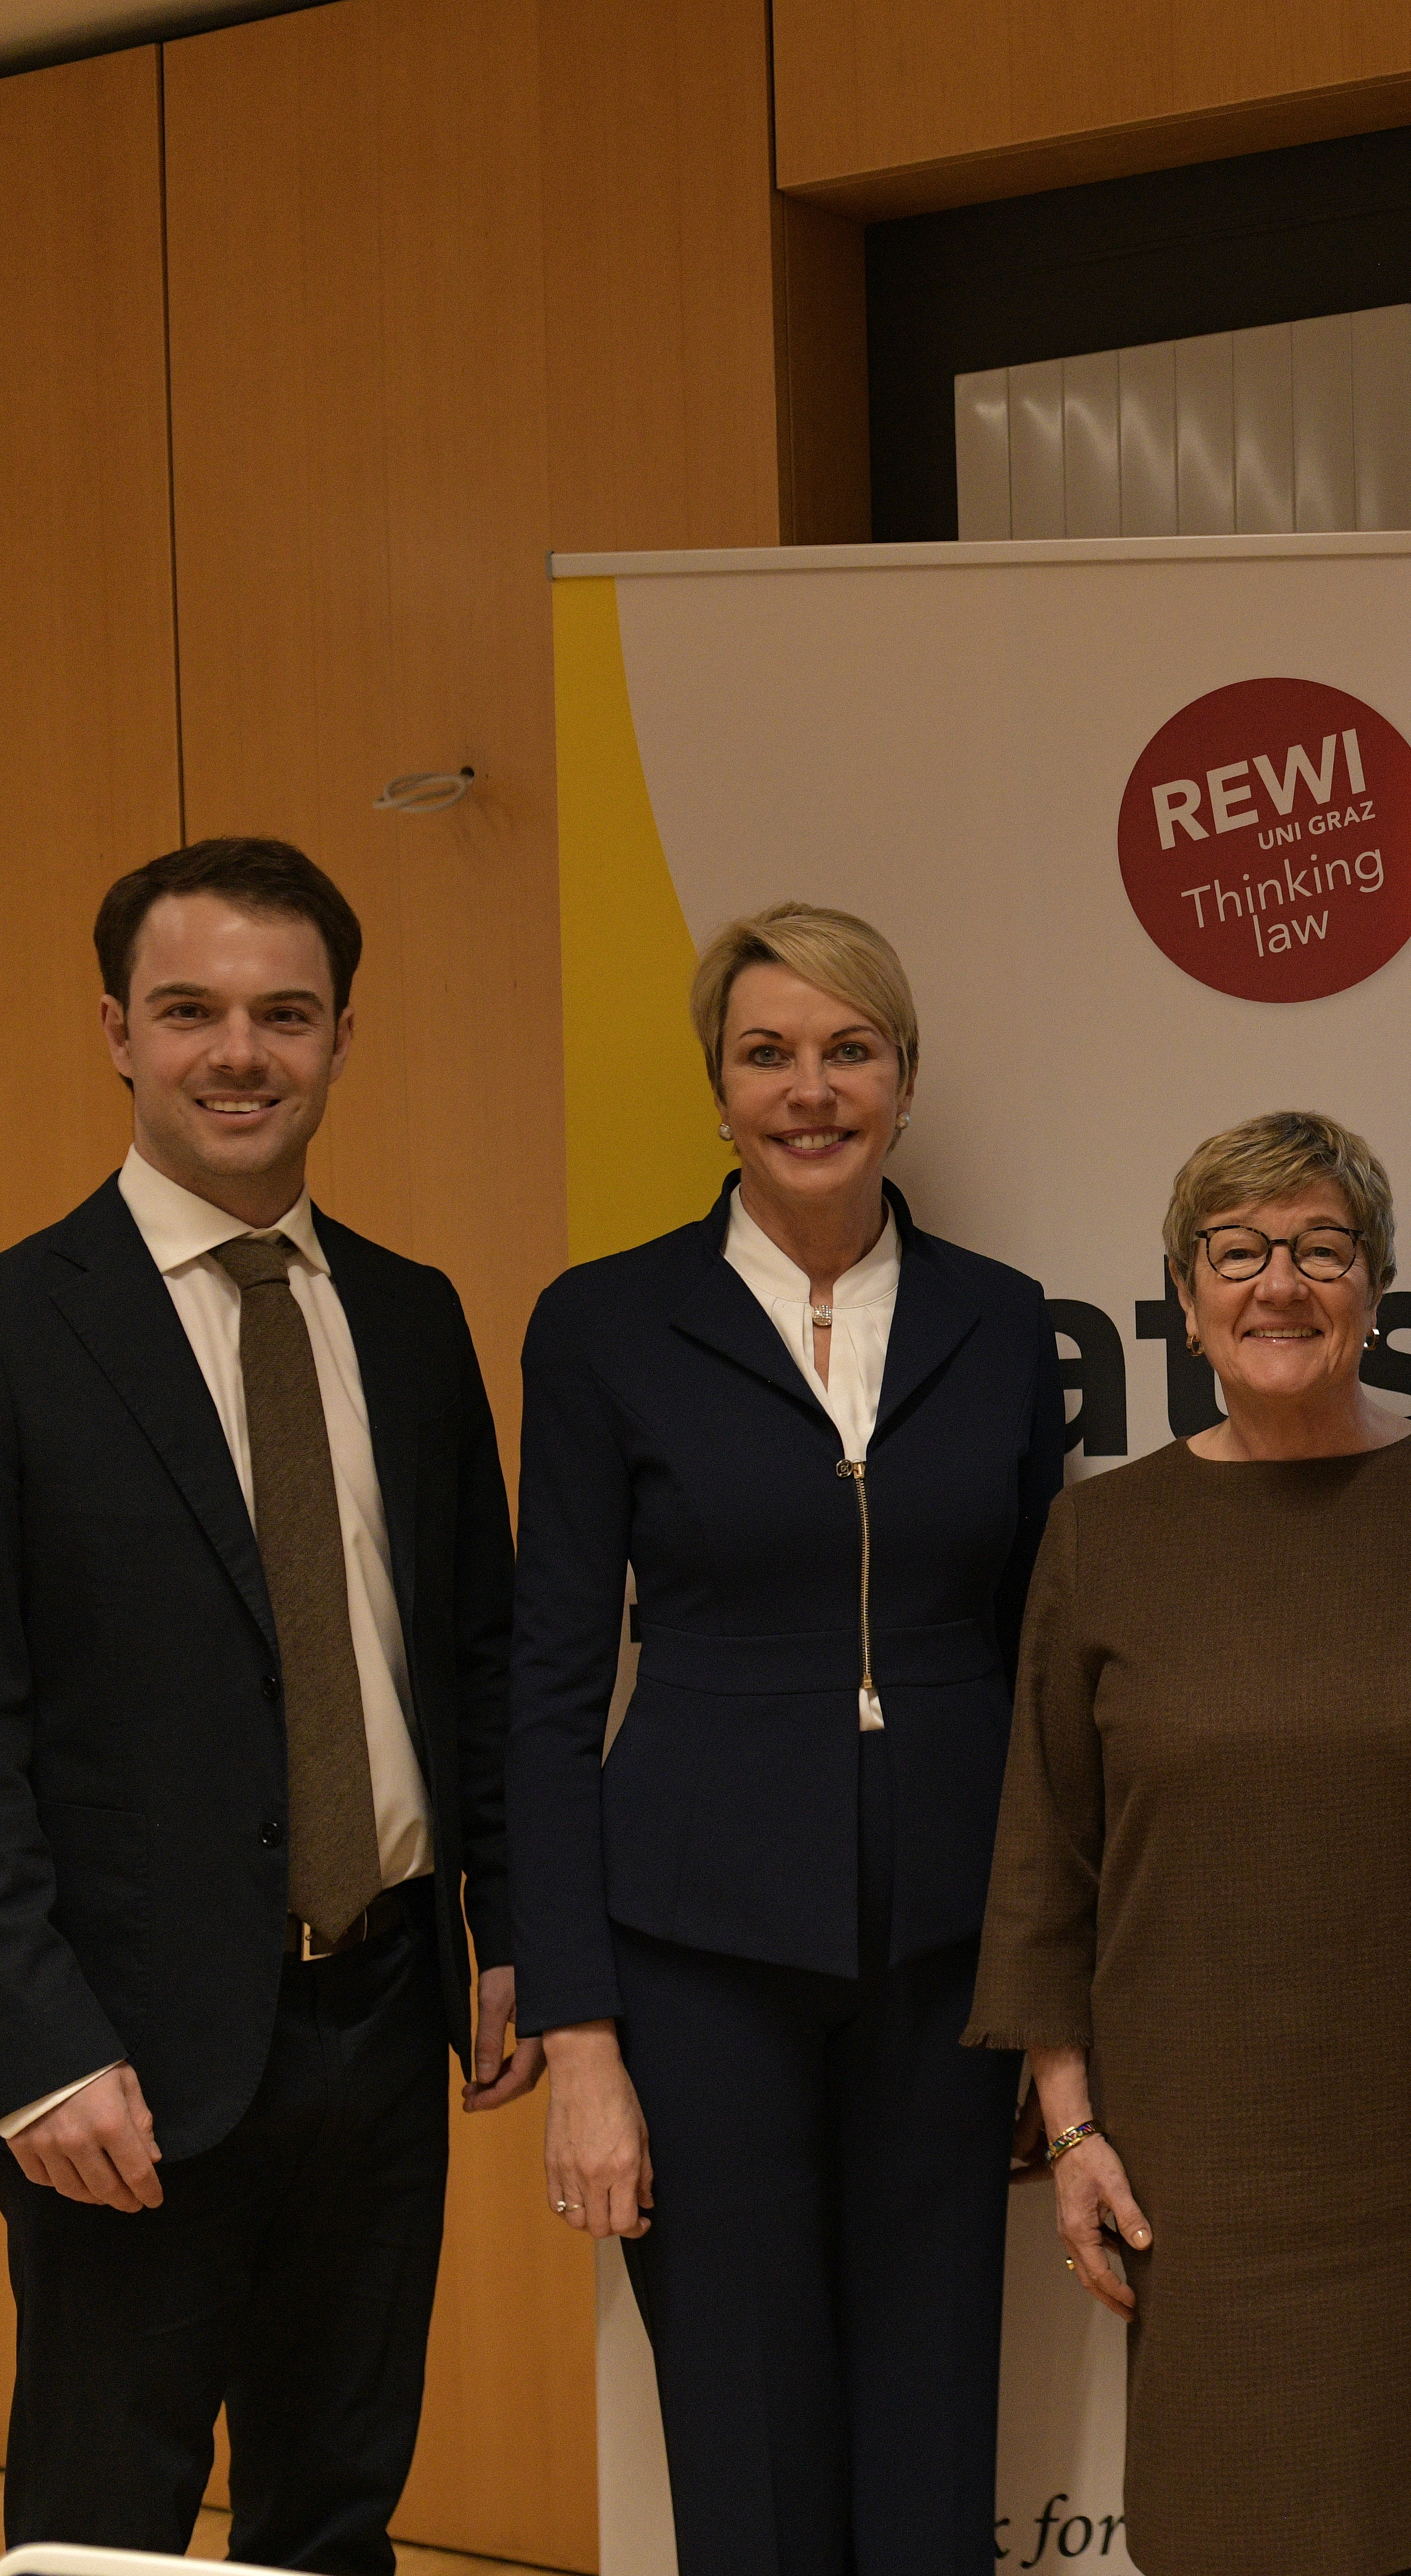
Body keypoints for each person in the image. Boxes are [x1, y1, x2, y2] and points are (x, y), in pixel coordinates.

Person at [970, 1108, 1411, 2576]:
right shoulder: (1103, 1542)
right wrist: (1074, 2126)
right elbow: (1047, 1846)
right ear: (1185, 1293)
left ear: (1376, 1283)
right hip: (1199, 2172)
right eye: (1239, 1252)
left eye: (1321, 1249)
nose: (1279, 1284)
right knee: (1229, 2534)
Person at [507, 902, 1060, 2576]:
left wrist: (1054, 1995)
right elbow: (542, 1692)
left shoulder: (1000, 1317)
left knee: (934, 2410)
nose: (809, 1089)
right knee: (742, 2435)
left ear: (904, 1077)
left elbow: (1050, 1681)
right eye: (767, 1053)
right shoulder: (603, 1322)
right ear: (717, 1085)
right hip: (695, 1956)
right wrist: (583, 2040)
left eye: (848, 1050)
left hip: (950, 1957)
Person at [0, 837, 529, 2570]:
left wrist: (502, 1923)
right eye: (192, 1012)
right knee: (108, 2526)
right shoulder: (17, 1327)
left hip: (380, 2025)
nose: (241, 1053)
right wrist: (38, 2047)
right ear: (115, 1031)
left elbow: (478, 1655)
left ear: (342, 1037)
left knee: (339, 2513)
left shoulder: (410, 1314)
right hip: (123, 2059)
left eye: (284, 1014)